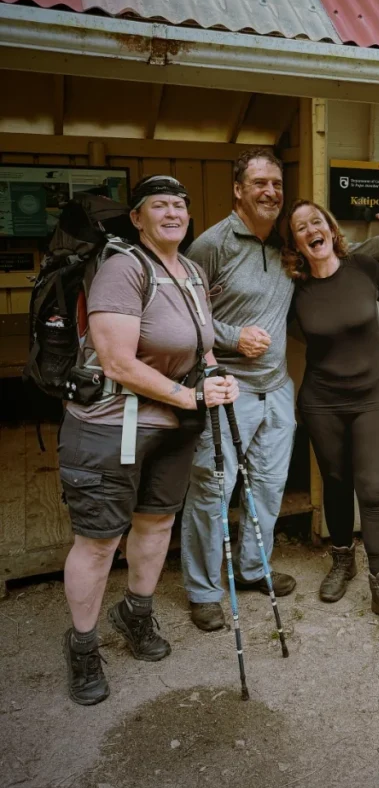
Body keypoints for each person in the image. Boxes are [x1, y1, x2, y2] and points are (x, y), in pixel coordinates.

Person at [181, 148, 379, 632]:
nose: (271, 192)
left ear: (330, 229)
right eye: (259, 183)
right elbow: (190, 313)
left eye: (277, 184)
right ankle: (229, 585)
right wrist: (229, 339)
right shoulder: (239, 257)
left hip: (327, 393)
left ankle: (356, 582)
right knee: (235, 487)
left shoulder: (330, 263)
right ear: (238, 190)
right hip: (271, 394)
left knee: (328, 489)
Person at [60, 175, 238, 706]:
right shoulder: (122, 269)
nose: (172, 213)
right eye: (159, 205)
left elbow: (201, 344)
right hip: (109, 427)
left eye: (180, 205)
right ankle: (82, 646)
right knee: (98, 541)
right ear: (137, 218)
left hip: (172, 427)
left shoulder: (191, 272)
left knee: (157, 522)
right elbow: (117, 362)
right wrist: (190, 398)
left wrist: (214, 376)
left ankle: (135, 612)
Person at [283, 200, 379, 630]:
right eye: (300, 227)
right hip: (322, 403)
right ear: (295, 243)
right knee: (335, 482)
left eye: (316, 221)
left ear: (330, 229)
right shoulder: (293, 290)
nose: (310, 229)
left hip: (375, 398)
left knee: (373, 490)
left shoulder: (363, 267)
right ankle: (342, 560)